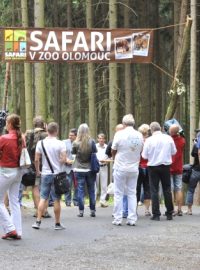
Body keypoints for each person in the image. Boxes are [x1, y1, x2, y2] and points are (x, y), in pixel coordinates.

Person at [32, 122, 66, 230]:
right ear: (57, 131)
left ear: (47, 131)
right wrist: (59, 162)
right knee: (56, 199)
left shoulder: (40, 143)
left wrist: (38, 171)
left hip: (45, 174)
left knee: (43, 198)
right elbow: (63, 160)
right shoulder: (61, 143)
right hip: (57, 175)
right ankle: (57, 224)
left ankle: (37, 221)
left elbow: (36, 159)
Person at [111, 114, 143, 226]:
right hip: (134, 167)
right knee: (132, 193)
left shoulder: (119, 134)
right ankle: (132, 218)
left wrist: (114, 158)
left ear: (124, 124)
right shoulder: (139, 135)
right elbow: (141, 150)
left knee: (118, 193)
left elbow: (113, 149)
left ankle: (118, 218)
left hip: (121, 166)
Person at [142, 122, 177, 221]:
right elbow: (174, 151)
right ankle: (169, 213)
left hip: (153, 167)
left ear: (151, 130)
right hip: (166, 166)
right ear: (160, 128)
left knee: (154, 190)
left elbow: (144, 156)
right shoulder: (168, 138)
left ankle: (156, 214)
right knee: (167, 189)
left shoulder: (149, 140)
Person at [0, 114, 23, 239]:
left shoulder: (4, 138)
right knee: (15, 201)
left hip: (5, 171)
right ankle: (18, 231)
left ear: (9, 124)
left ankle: (10, 228)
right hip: (18, 172)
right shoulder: (21, 138)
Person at [26, 116, 50, 217]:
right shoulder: (46, 135)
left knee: (35, 187)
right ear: (43, 124)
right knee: (45, 187)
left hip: (32, 165)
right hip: (45, 165)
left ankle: (38, 211)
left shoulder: (28, 134)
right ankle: (45, 211)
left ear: (34, 124)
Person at [72, 123, 97, 217]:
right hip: (90, 169)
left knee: (80, 190)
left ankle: (81, 211)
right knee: (91, 190)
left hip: (78, 169)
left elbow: (73, 154)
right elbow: (94, 153)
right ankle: (92, 210)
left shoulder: (75, 143)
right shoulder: (92, 142)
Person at [169, 124, 185, 216]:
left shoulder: (168, 140)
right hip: (179, 167)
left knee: (170, 189)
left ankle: (172, 209)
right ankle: (179, 209)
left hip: (169, 167)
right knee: (178, 188)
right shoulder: (182, 140)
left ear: (171, 132)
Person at [136, 124, 151, 216]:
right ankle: (147, 210)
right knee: (147, 188)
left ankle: (135, 210)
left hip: (138, 166)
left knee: (136, 189)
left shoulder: (137, 141)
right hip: (149, 166)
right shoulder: (150, 141)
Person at [63, 128, 78, 207]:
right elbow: (62, 153)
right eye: (69, 135)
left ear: (76, 136)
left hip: (76, 167)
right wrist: (66, 160)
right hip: (67, 167)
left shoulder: (79, 142)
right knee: (68, 184)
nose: (70, 137)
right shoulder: (64, 142)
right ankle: (67, 201)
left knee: (76, 185)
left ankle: (76, 201)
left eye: (72, 135)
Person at [185, 131, 200, 215]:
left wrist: (195, 144)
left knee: (190, 190)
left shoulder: (196, 145)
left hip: (196, 170)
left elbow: (192, 154)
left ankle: (189, 210)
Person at [96, 133, 109, 207]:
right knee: (95, 184)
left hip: (104, 166)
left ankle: (102, 200)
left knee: (104, 185)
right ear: (98, 139)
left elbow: (110, 157)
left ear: (104, 139)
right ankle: (93, 200)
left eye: (102, 138)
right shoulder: (94, 146)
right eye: (100, 138)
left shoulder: (107, 147)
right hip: (96, 167)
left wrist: (106, 161)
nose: (101, 140)